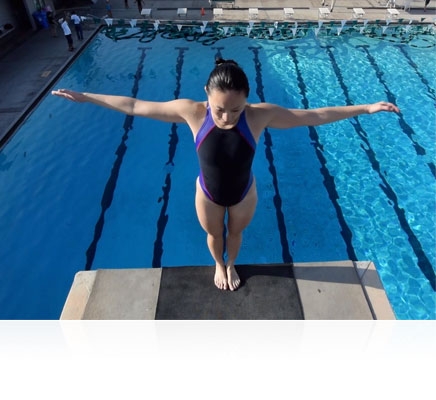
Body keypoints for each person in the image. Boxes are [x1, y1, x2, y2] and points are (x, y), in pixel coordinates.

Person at [51, 58, 399, 291]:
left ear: (247, 99)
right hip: (208, 194)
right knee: (214, 236)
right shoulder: (192, 112)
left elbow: (314, 116)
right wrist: (86, 97)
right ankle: (219, 264)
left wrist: (366, 108)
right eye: (219, 109)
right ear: (207, 96)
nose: (227, 117)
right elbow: (134, 105)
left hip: (245, 193)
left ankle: (233, 263)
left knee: (236, 233)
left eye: (235, 109)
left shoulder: (259, 116)